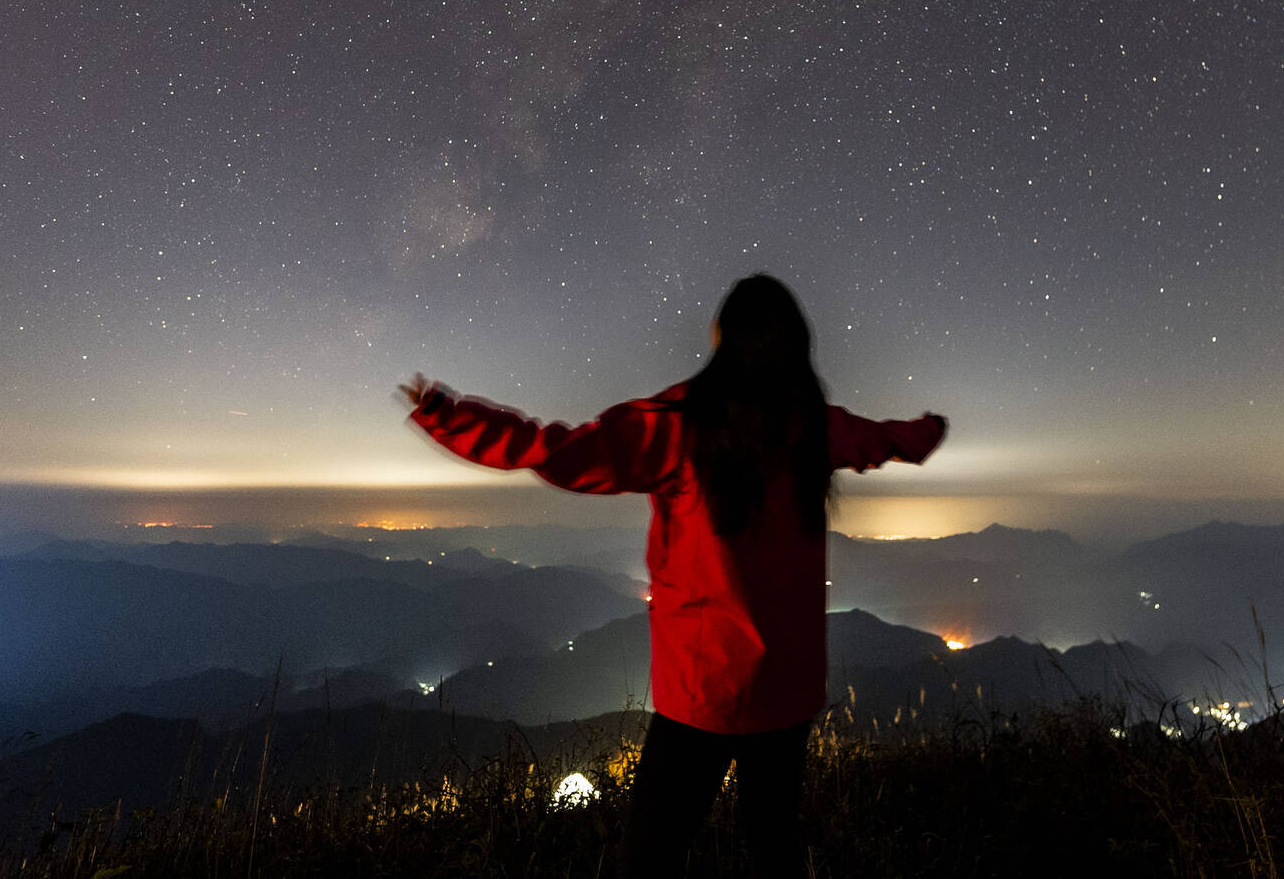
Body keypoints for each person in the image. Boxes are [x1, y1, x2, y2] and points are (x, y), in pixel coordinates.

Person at [399, 273, 946, 876]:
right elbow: (884, 439)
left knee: (651, 856)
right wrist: (928, 431)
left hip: (703, 692)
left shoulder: (679, 423)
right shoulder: (812, 424)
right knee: (774, 845)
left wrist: (447, 417)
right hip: (789, 693)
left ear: (722, 338)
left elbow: (557, 451)